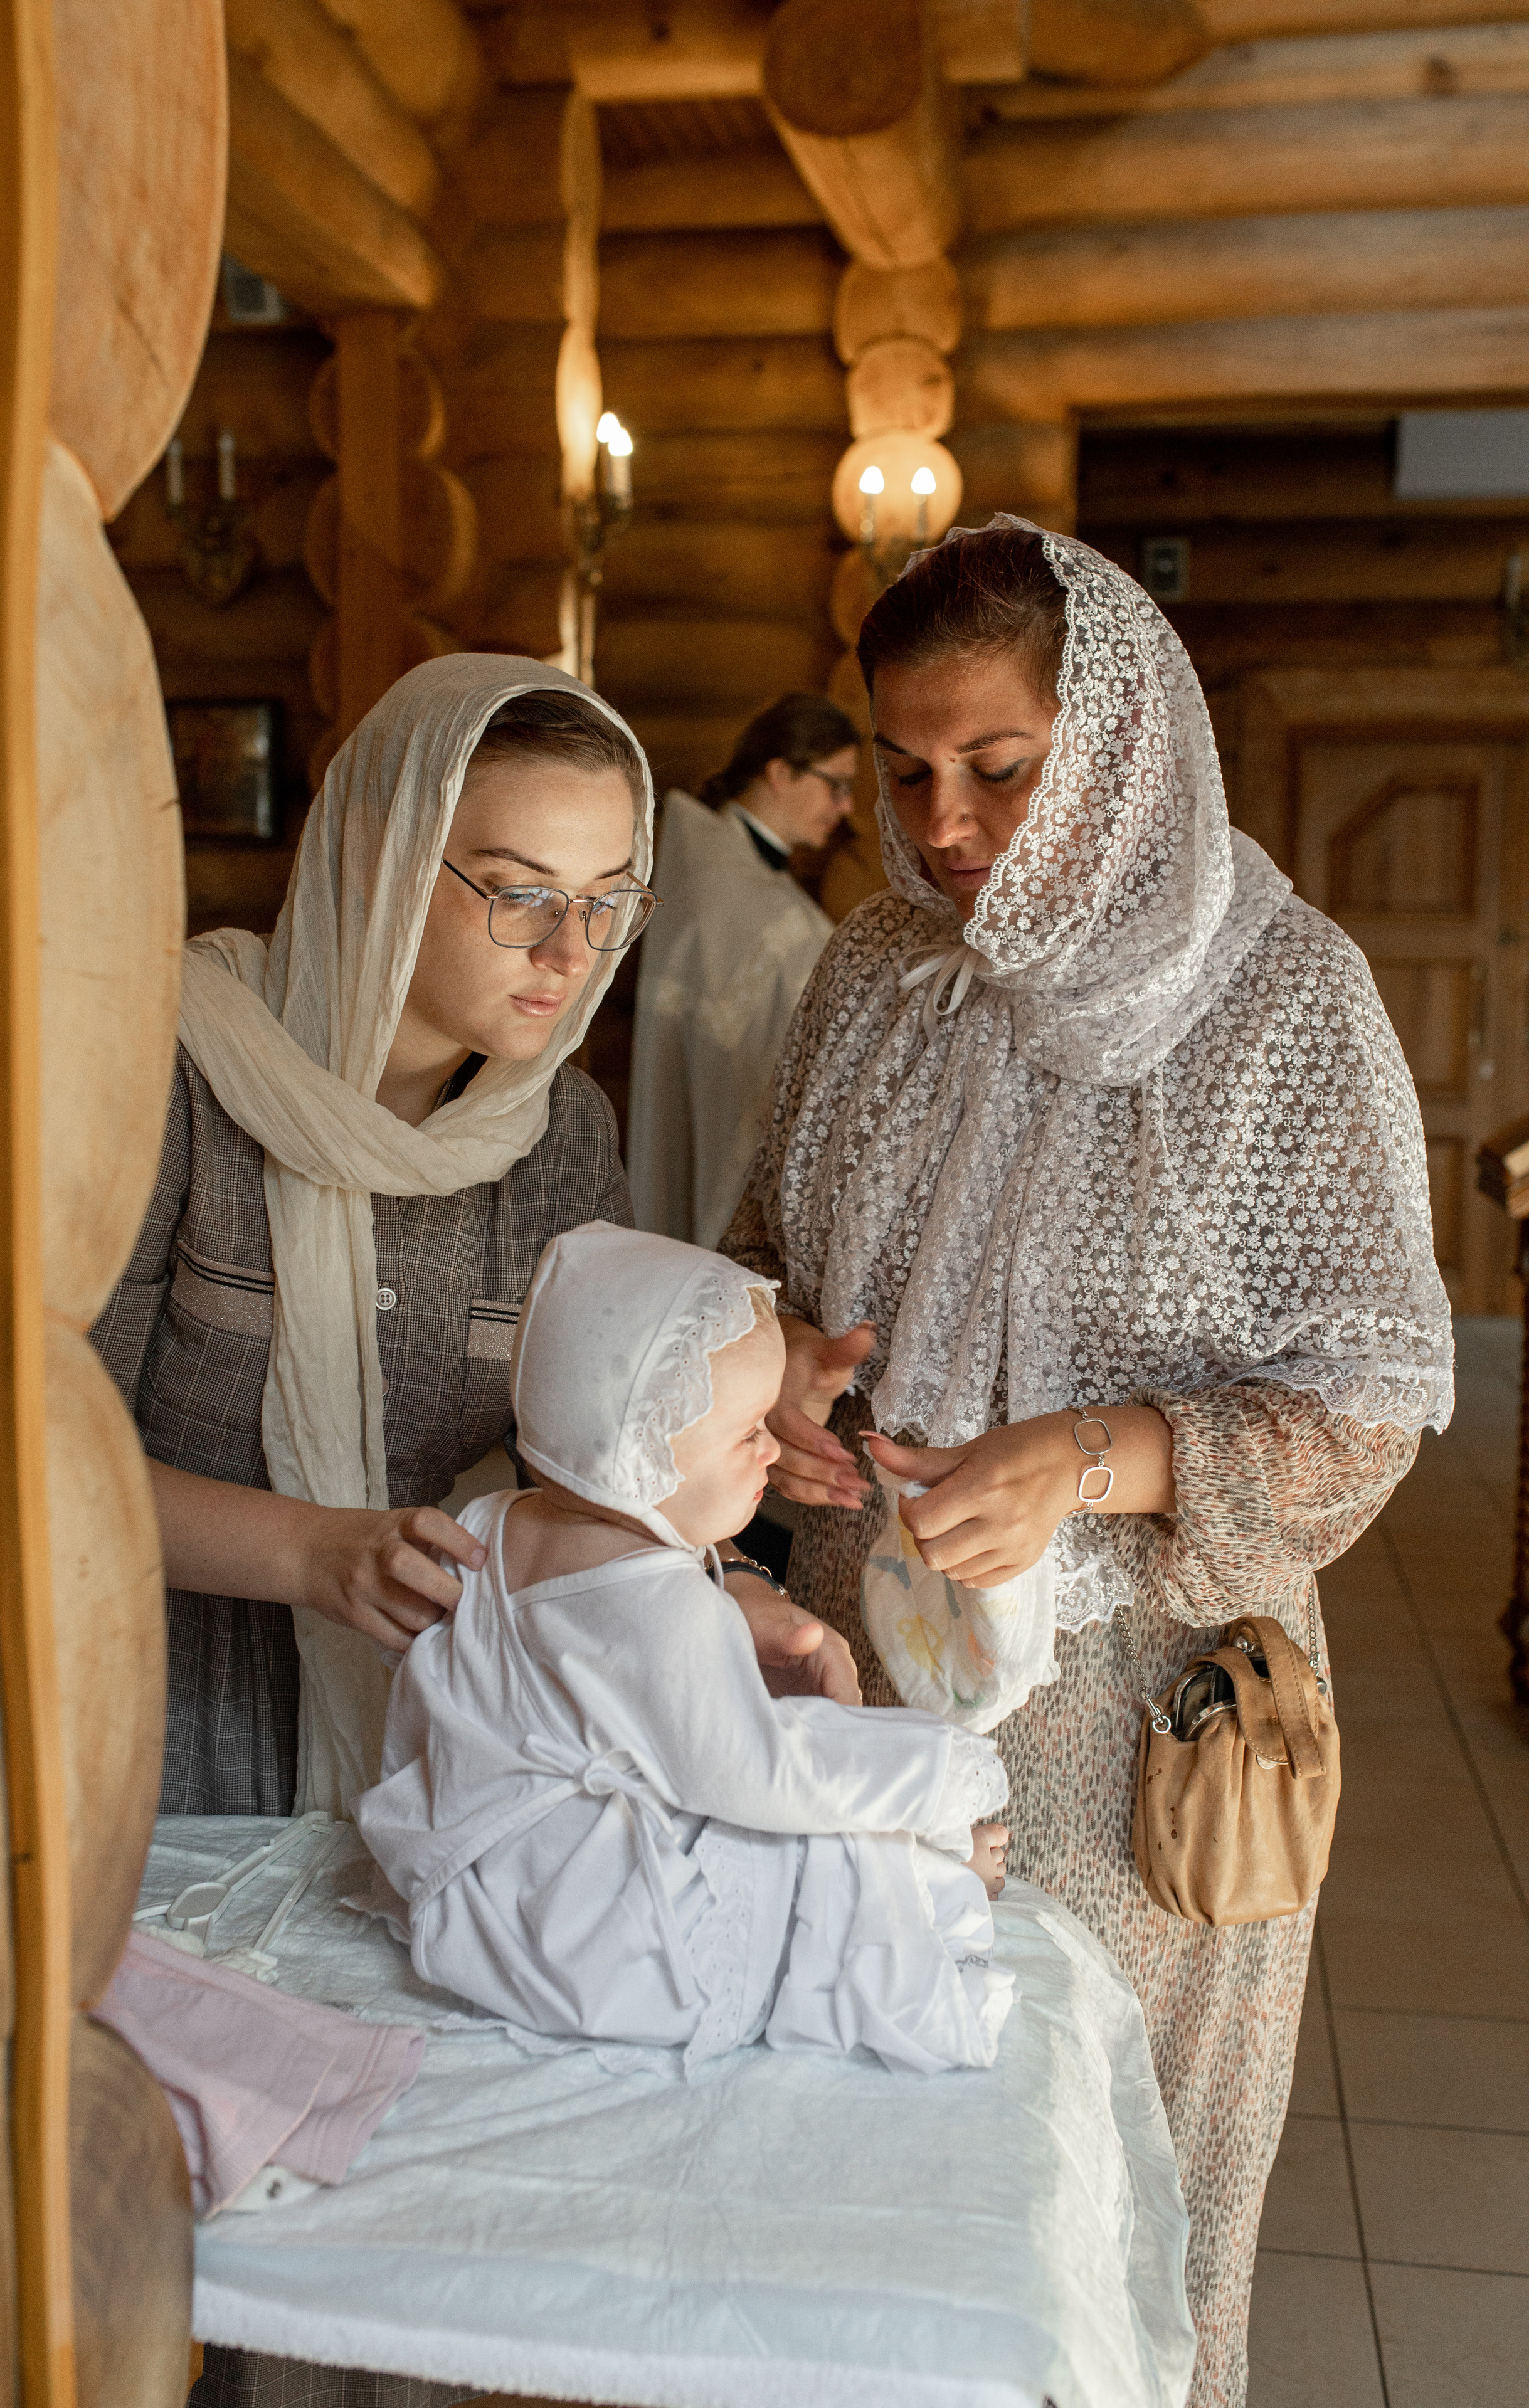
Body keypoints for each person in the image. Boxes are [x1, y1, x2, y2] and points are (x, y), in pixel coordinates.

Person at [721, 520, 1452, 2408]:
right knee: (859, 2192)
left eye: (996, 764)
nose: (941, 823)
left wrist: (1086, 1453)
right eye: (903, 769)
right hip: (859, 1689)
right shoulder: (874, 972)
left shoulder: (1280, 999)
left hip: (1139, 1724)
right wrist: (772, 1375)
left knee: (1098, 2216)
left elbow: (1370, 1397)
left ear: (1118, 742)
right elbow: (761, 1253)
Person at [93, 660, 856, 2408]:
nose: (567, 950)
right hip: (164, 1743)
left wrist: (712, 1561)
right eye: (516, 891)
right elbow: (30, 1464)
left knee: (407, 2249)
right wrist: (314, 1555)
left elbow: (575, 1469)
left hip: (446, 1765)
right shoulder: (163, 1075)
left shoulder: (557, 1133)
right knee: (173, 2245)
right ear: (376, 854)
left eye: (607, 901)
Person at [356, 1222, 1015, 2078]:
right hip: (592, 1938)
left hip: (481, 1889)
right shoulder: (662, 1602)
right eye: (748, 1433)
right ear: (637, 1457)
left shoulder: (488, 1525)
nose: (772, 1449)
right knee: (811, 1840)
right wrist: (941, 1779)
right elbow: (761, 1773)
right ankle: (942, 1874)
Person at [627, 691, 857, 1248]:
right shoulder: (726, 883)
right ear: (780, 772)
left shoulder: (732, 866)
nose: (846, 806)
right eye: (836, 785)